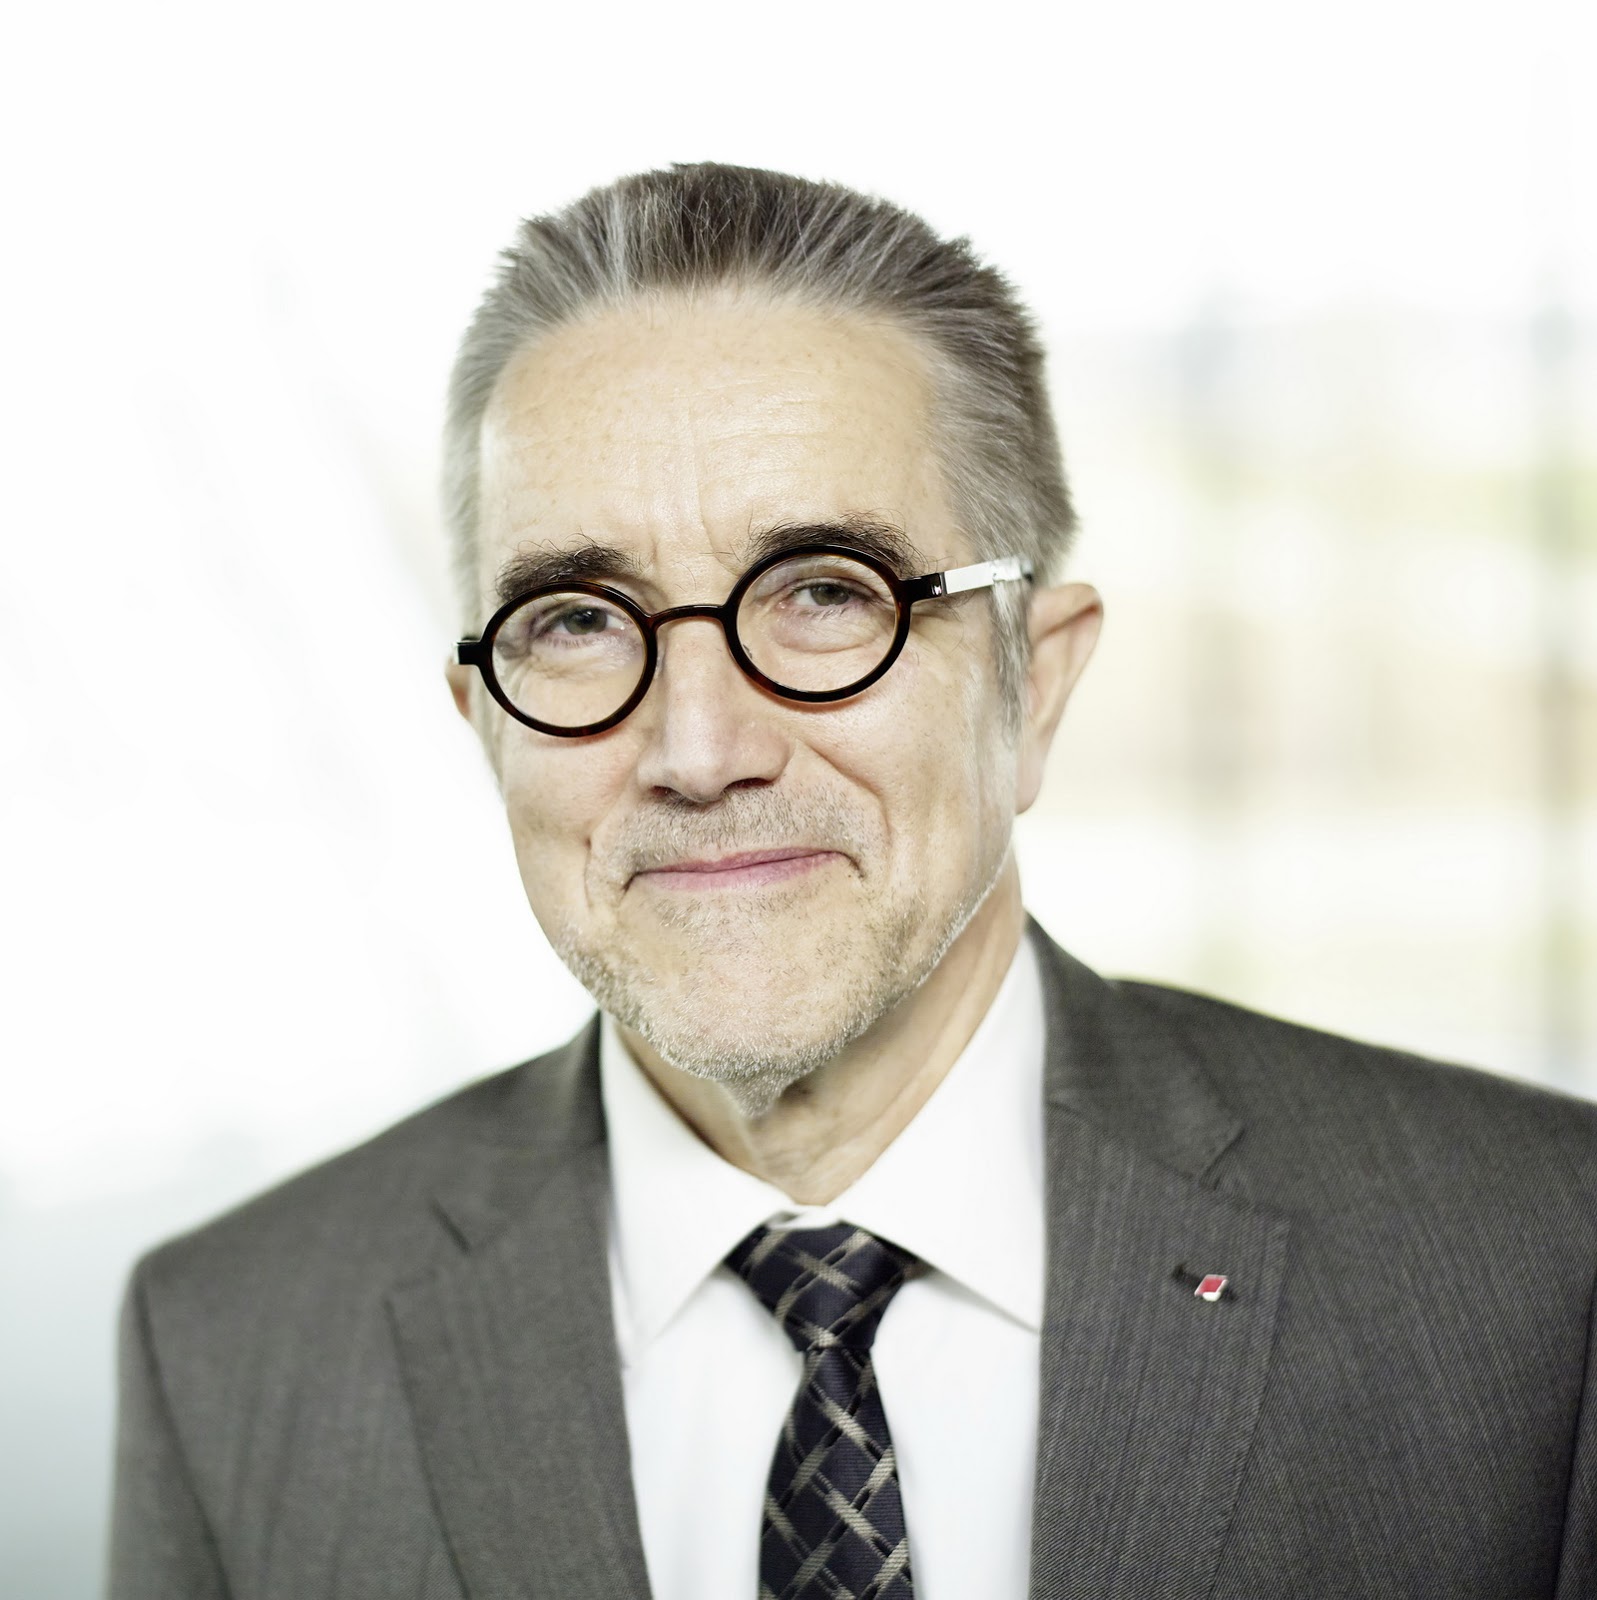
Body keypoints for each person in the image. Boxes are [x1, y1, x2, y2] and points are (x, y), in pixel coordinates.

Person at [109, 163, 1597, 1600]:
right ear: (485, 723)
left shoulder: (1537, 1267)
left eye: (827, 592)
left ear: (1035, 686)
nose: (700, 750)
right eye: (577, 620)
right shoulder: (232, 1351)